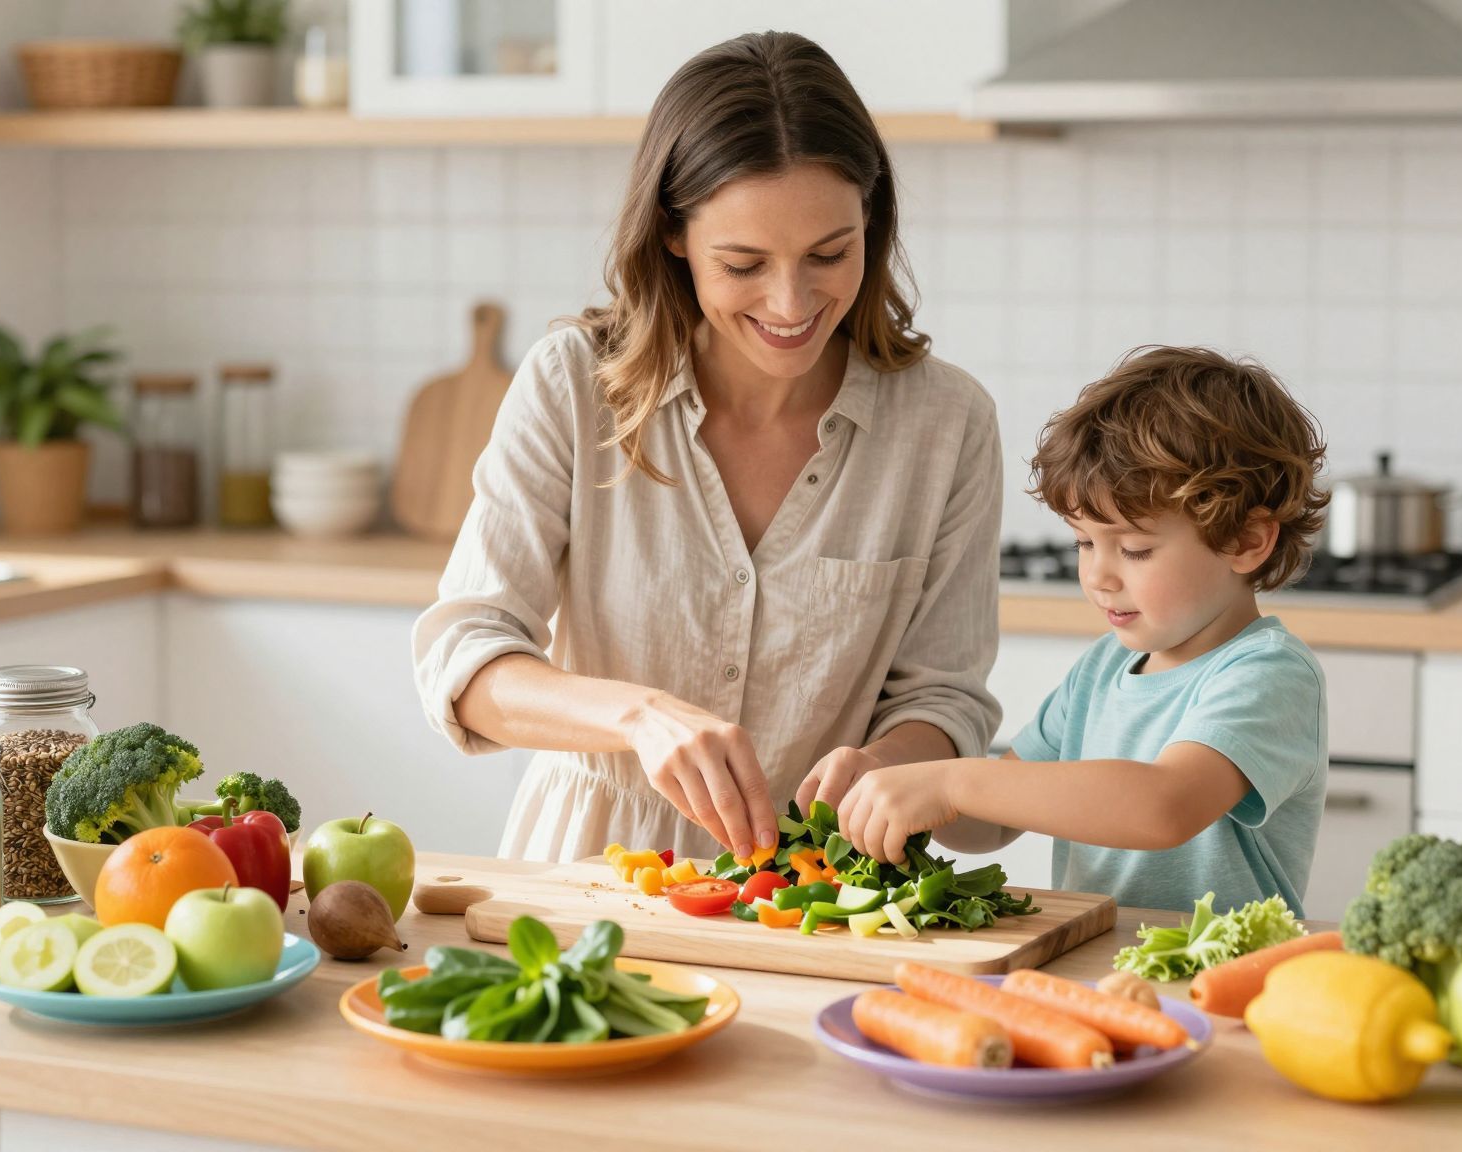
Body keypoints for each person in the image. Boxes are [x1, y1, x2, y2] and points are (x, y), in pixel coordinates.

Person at [412, 31, 1002, 864]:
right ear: (673, 236)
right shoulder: (573, 385)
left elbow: (945, 699)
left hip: (817, 891)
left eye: (829, 254)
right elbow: (465, 658)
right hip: (590, 872)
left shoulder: (949, 425)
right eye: (745, 263)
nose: (792, 302)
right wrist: (638, 717)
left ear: (871, 221)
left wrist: (881, 768)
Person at [836, 346, 1331, 914]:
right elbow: (986, 828)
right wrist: (897, 782)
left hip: (1211, 982)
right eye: (1085, 542)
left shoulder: (1268, 673)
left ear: (1246, 541)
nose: (1097, 575)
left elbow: (1163, 805)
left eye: (1136, 550)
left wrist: (950, 783)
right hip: (1094, 969)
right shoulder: (1102, 669)